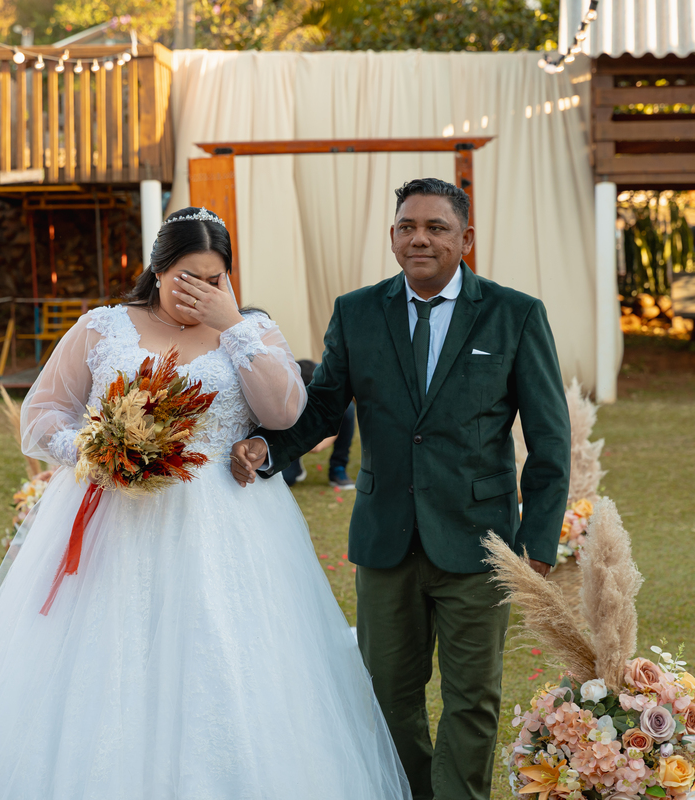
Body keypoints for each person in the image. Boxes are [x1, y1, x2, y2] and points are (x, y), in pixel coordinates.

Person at [0, 208, 411, 800]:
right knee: (106, 659)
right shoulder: (103, 327)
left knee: (221, 658)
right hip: (116, 521)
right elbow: (42, 416)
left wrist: (231, 324)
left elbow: (284, 413)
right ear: (158, 270)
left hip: (225, 522)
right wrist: (98, 451)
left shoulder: (252, 329)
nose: (200, 292)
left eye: (215, 279)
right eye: (187, 279)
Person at [231, 178, 570, 800]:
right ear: (392, 237)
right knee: (388, 696)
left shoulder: (515, 314)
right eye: (407, 227)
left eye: (437, 228)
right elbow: (324, 406)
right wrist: (269, 448)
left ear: (466, 238)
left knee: (473, 699)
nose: (420, 239)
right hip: (385, 540)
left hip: (481, 544)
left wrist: (538, 543)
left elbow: (550, 439)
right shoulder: (357, 311)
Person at [281, 358, 356, 489]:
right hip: (289, 427)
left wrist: (332, 428)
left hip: (325, 404)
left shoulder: (331, 382)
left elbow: (317, 447)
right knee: (287, 479)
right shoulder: (284, 388)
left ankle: (338, 467)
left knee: (348, 409)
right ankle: (295, 462)